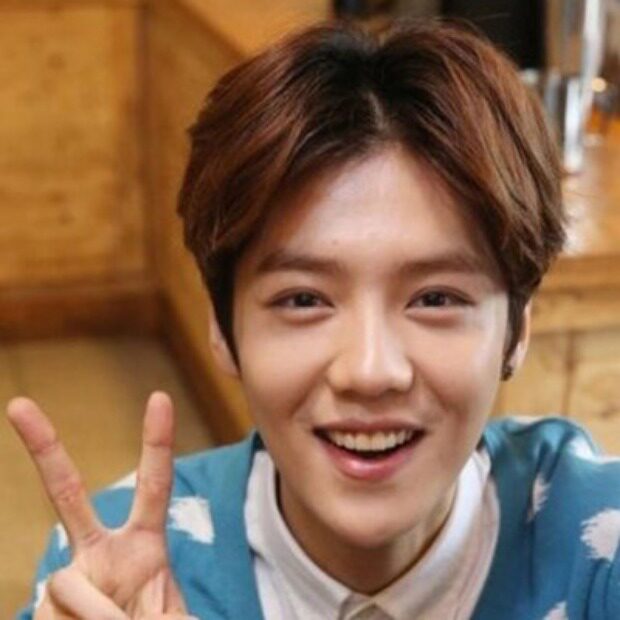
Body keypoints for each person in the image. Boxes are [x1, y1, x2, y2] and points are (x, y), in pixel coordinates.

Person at [8, 19, 620, 620]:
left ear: (517, 326)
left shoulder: (600, 545)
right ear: (222, 325)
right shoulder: (115, 571)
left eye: (436, 298)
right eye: (303, 300)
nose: (370, 371)